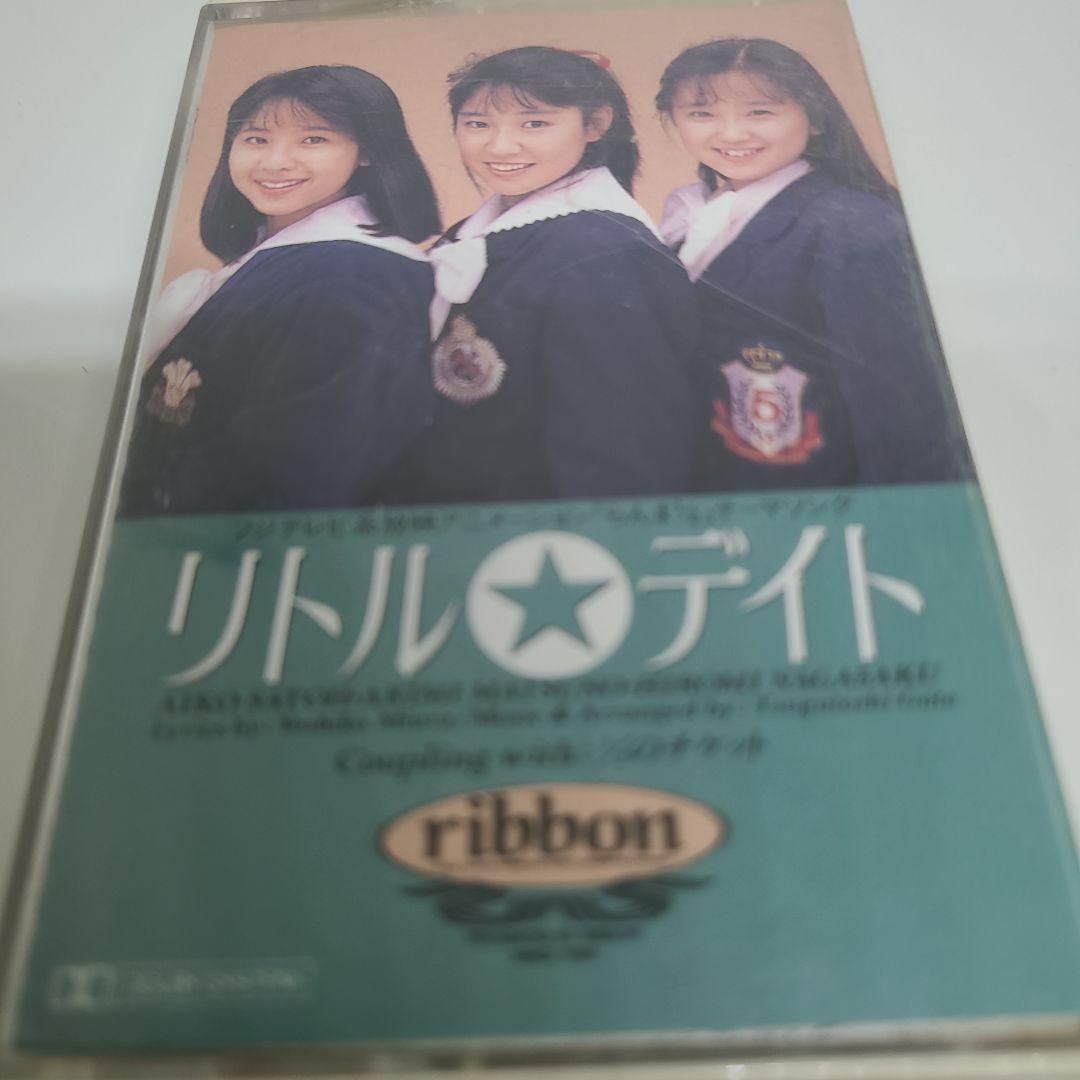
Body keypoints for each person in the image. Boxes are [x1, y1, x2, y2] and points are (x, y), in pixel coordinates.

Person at [120, 65, 440, 516]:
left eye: (313, 139)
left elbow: (306, 473)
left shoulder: (353, 274)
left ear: (367, 151)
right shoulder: (279, 259)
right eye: (256, 139)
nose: (275, 161)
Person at [656, 38, 972, 489]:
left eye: (760, 112)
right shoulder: (690, 213)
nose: (731, 134)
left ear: (816, 118)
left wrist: (902, 516)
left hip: (814, 492)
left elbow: (900, 408)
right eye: (702, 114)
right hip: (714, 485)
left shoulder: (855, 225)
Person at [406, 46, 699, 504]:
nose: (500, 146)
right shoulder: (480, 230)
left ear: (596, 124)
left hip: (540, 527)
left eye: (534, 124)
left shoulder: (601, 250)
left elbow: (622, 443)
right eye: (478, 124)